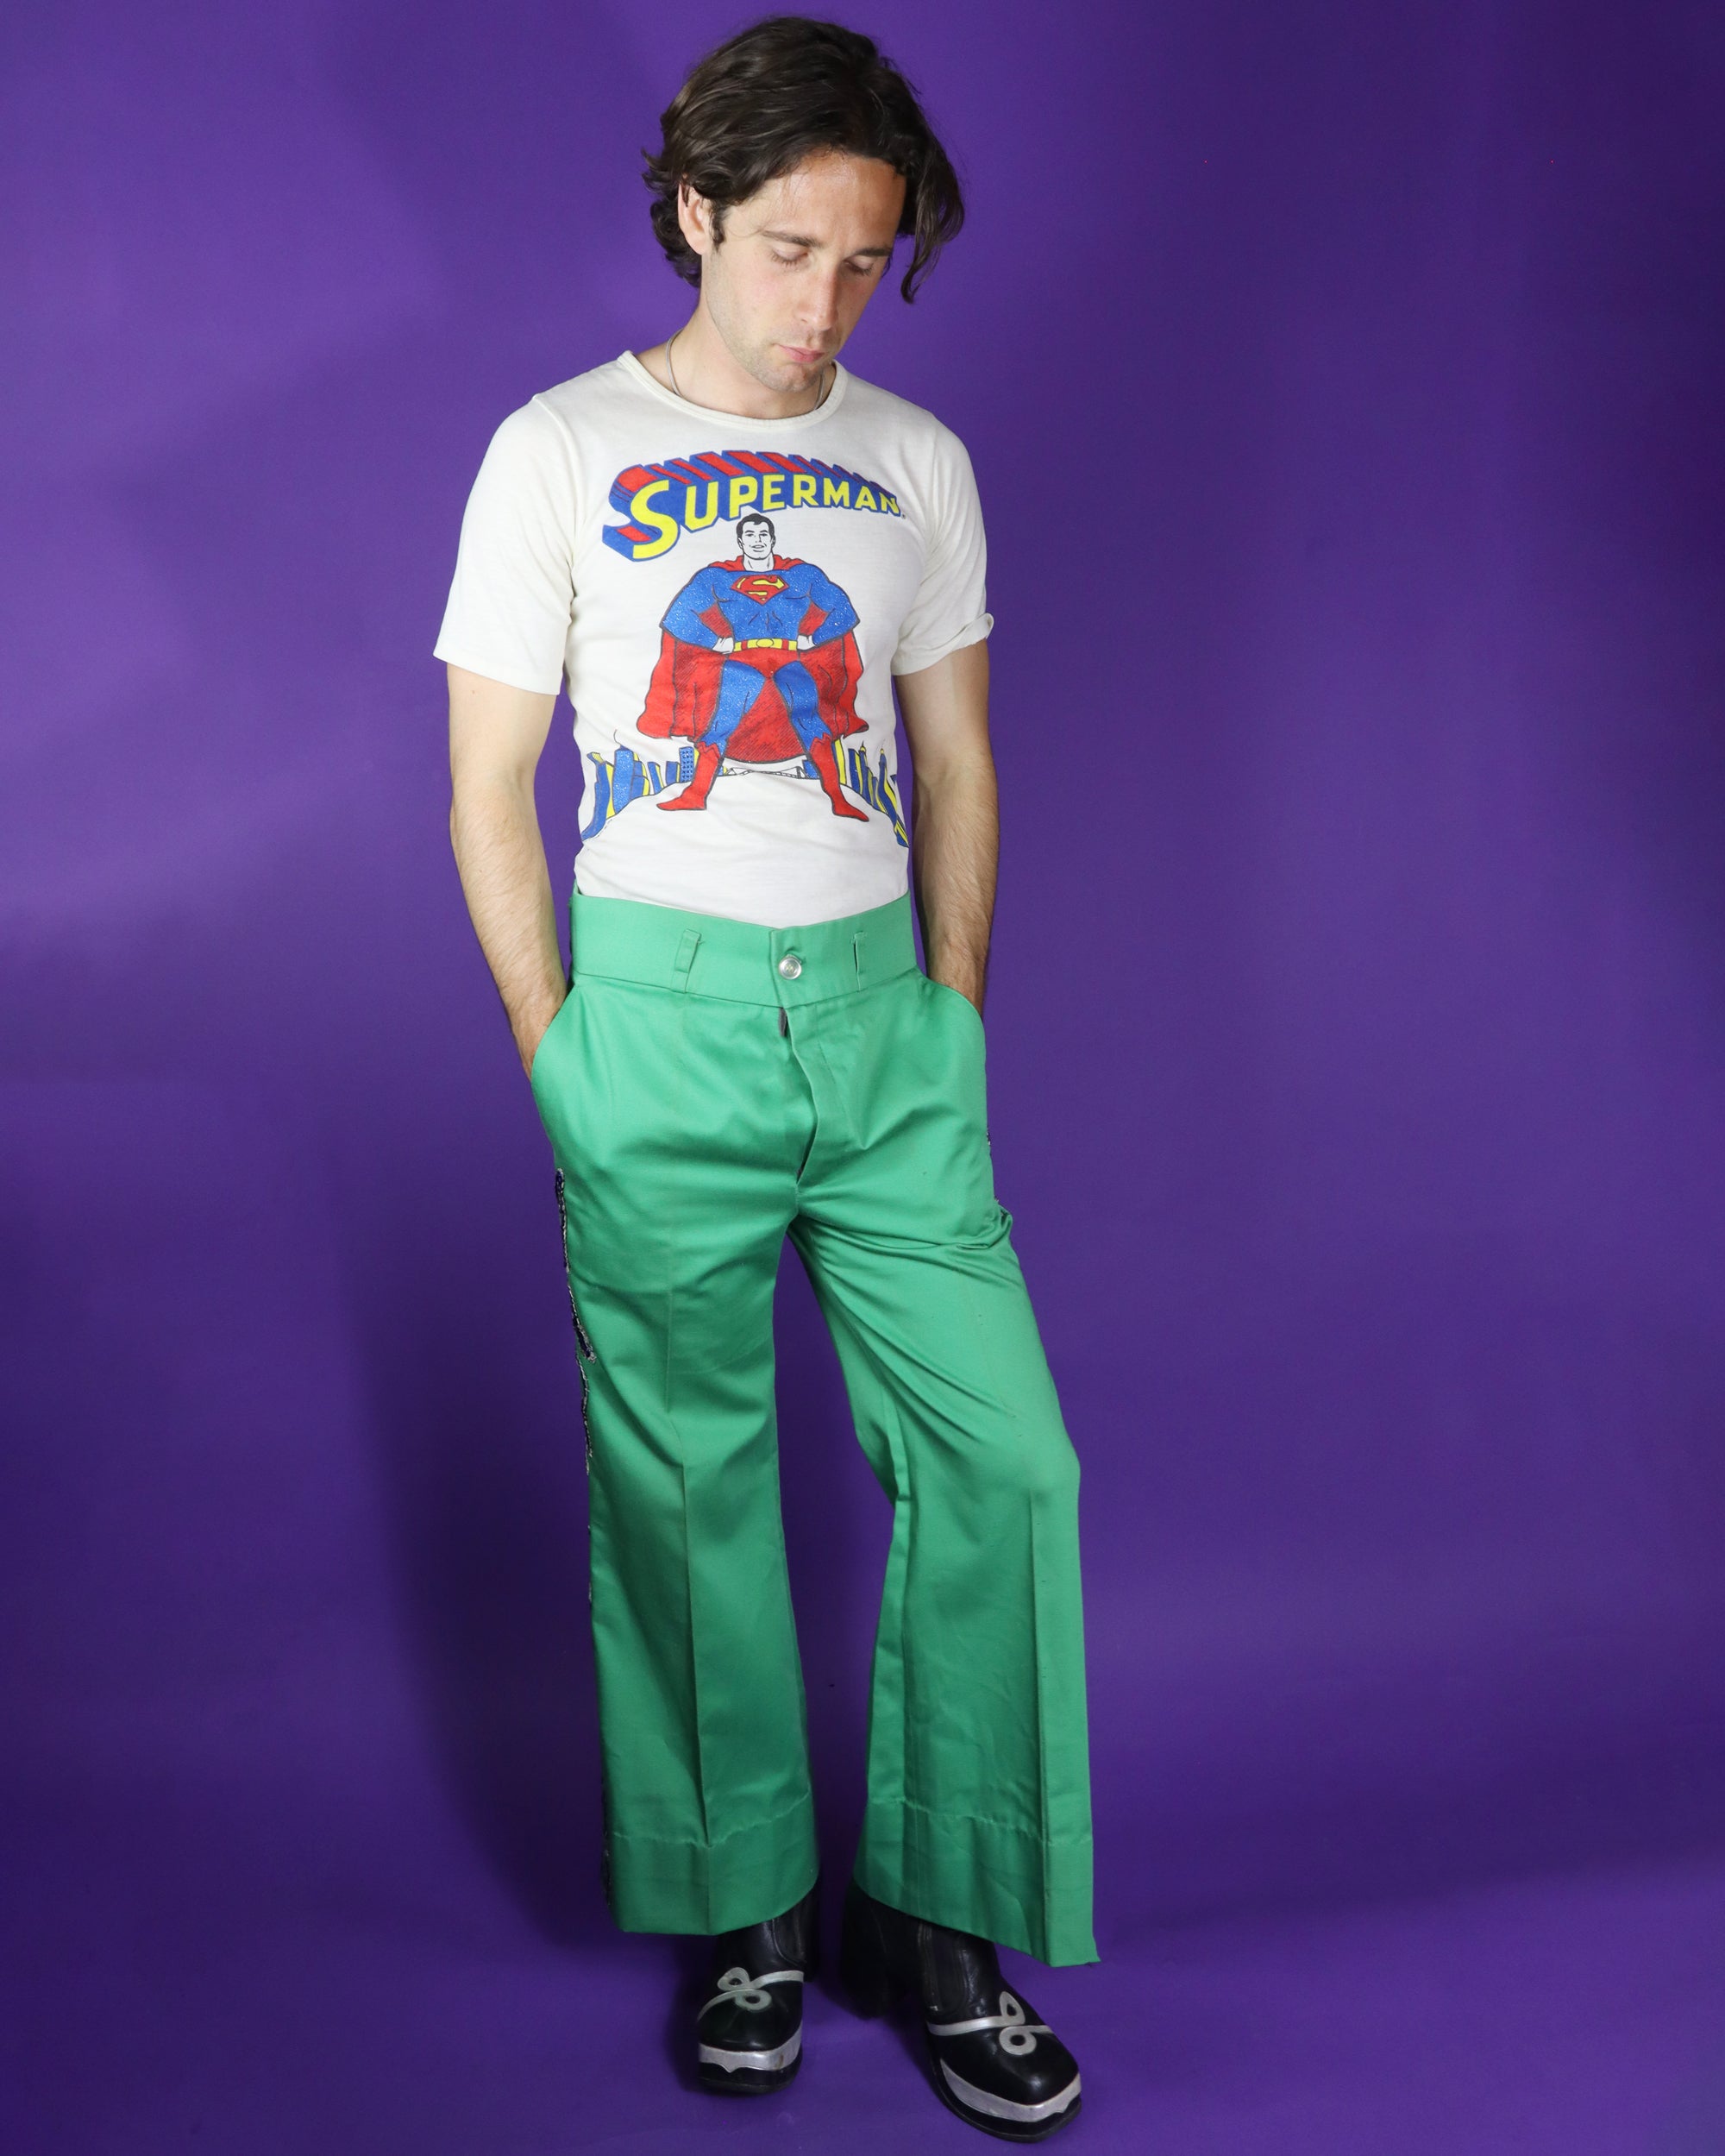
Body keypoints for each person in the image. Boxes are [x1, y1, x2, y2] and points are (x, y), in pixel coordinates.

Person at [436, 16, 1095, 2140]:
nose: (825, 304)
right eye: (791, 250)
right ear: (698, 212)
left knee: (1005, 1465)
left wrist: (952, 1015)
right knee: (688, 1492)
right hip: (656, 1024)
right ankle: (747, 1919)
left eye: (864, 264)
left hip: (884, 1027)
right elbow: (487, 780)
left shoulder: (919, 461)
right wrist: (560, 1053)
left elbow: (958, 758)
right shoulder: (556, 449)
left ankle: (942, 1915)